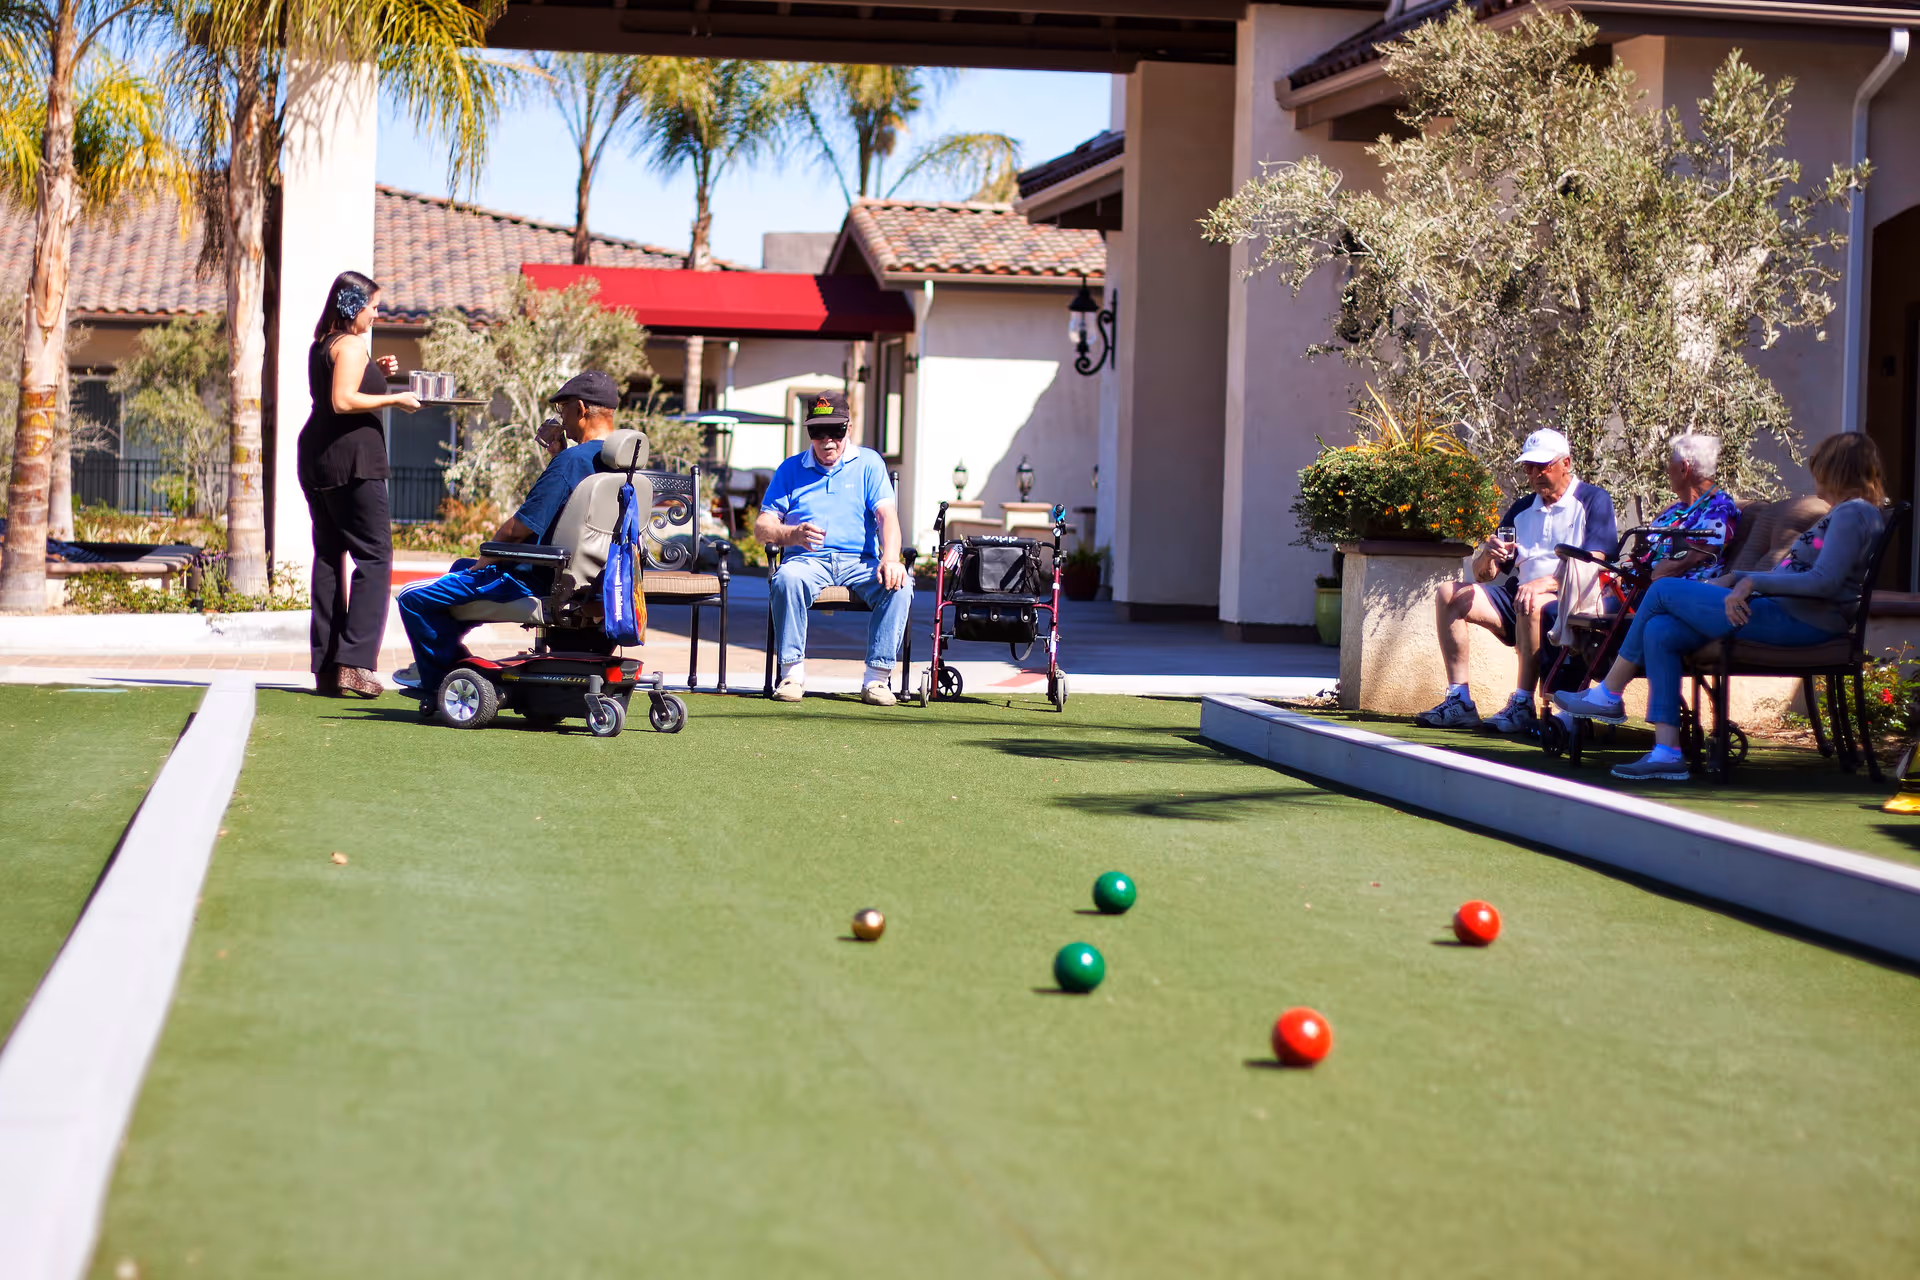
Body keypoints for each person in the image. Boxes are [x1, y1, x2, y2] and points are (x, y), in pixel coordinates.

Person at [1556, 432, 1887, 782]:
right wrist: (1739, 581)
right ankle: (1666, 752)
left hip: (1800, 620)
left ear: (1838, 471)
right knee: (1661, 629)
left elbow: (1825, 582)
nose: (1815, 478)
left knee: (1664, 590)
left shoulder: (1854, 514)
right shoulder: (1851, 513)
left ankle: (1609, 693)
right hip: (1781, 611)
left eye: (1820, 469)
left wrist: (1752, 582)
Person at [396, 371, 623, 701]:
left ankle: (440, 681)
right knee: (458, 568)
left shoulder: (570, 462)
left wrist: (486, 557)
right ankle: (441, 659)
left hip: (530, 576)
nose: (562, 418)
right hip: (587, 577)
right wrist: (560, 451)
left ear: (581, 408)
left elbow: (520, 528)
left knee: (412, 598)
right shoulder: (619, 464)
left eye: (563, 410)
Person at [1415, 429, 1617, 735]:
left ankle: (1523, 703)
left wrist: (1544, 584)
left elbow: (1595, 560)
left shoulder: (1593, 500)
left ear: (1566, 463)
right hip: (1519, 596)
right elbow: (1487, 575)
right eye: (1528, 467)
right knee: (1448, 594)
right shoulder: (1522, 509)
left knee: (1531, 597)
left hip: (1567, 598)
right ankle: (1459, 700)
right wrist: (1487, 556)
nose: (1534, 474)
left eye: (1542, 466)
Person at [298, 270, 421, 697]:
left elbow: (346, 388)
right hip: (353, 463)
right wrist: (395, 397)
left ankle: (328, 668)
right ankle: (355, 662)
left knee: (330, 559)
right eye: (372, 306)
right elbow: (343, 400)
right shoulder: (350, 345)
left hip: (319, 459)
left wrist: (378, 371)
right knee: (375, 558)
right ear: (352, 306)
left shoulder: (326, 345)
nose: (375, 314)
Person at [754, 391, 911, 706]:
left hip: (860, 561)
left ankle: (877, 680)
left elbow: (887, 517)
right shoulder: (790, 469)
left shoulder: (869, 463)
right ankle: (792, 675)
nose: (828, 440)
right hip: (808, 561)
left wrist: (891, 558)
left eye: (836, 431)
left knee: (900, 585)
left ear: (848, 428)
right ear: (809, 432)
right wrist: (792, 534)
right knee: (786, 580)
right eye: (818, 432)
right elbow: (762, 528)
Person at [1646, 434, 1742, 583]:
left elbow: (1690, 557)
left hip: (1668, 591)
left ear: (1684, 467)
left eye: (1670, 464)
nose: (1667, 471)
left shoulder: (1718, 506)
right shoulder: (1675, 510)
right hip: (1632, 587)